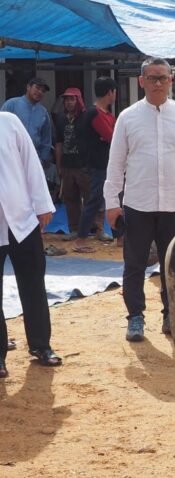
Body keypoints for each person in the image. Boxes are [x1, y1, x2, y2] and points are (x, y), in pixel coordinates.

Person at [104, 58, 175, 341]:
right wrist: (112, 202)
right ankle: (135, 317)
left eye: (162, 78)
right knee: (135, 264)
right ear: (141, 81)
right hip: (137, 203)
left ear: (171, 80)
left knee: (172, 264)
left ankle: (170, 315)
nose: (158, 83)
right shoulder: (127, 118)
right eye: (152, 78)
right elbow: (116, 163)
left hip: (174, 204)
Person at [1, 112, 62, 379]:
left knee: (33, 283)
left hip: (21, 219)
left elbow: (30, 164)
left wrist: (42, 205)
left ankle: (40, 345)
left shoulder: (9, 122)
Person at [73, 77, 117, 253]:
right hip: (98, 164)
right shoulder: (94, 113)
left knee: (115, 199)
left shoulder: (104, 114)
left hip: (106, 163)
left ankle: (120, 236)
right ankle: (80, 240)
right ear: (110, 92)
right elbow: (112, 137)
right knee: (95, 200)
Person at [54, 88, 89, 239]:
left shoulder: (86, 117)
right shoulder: (61, 119)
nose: (69, 102)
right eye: (66, 99)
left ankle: (96, 229)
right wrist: (59, 165)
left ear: (78, 100)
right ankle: (74, 229)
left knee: (90, 197)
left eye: (72, 99)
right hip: (67, 166)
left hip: (84, 165)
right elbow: (59, 143)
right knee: (70, 199)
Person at [1, 76, 53, 167]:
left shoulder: (43, 112)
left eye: (43, 91)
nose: (40, 92)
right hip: (11, 156)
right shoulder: (11, 104)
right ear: (28, 87)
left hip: (33, 158)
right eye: (37, 88)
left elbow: (46, 139)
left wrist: (43, 159)